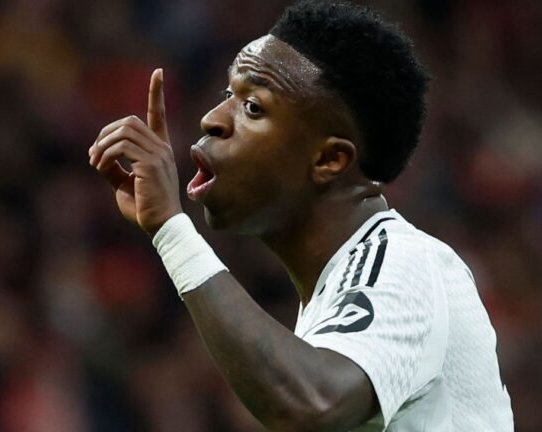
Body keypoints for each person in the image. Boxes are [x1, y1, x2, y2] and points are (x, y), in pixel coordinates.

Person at [88, 1, 514, 430]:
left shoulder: (403, 262)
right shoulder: (333, 299)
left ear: (329, 159)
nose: (212, 120)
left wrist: (172, 229)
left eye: (253, 107)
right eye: (228, 96)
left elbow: (313, 403)